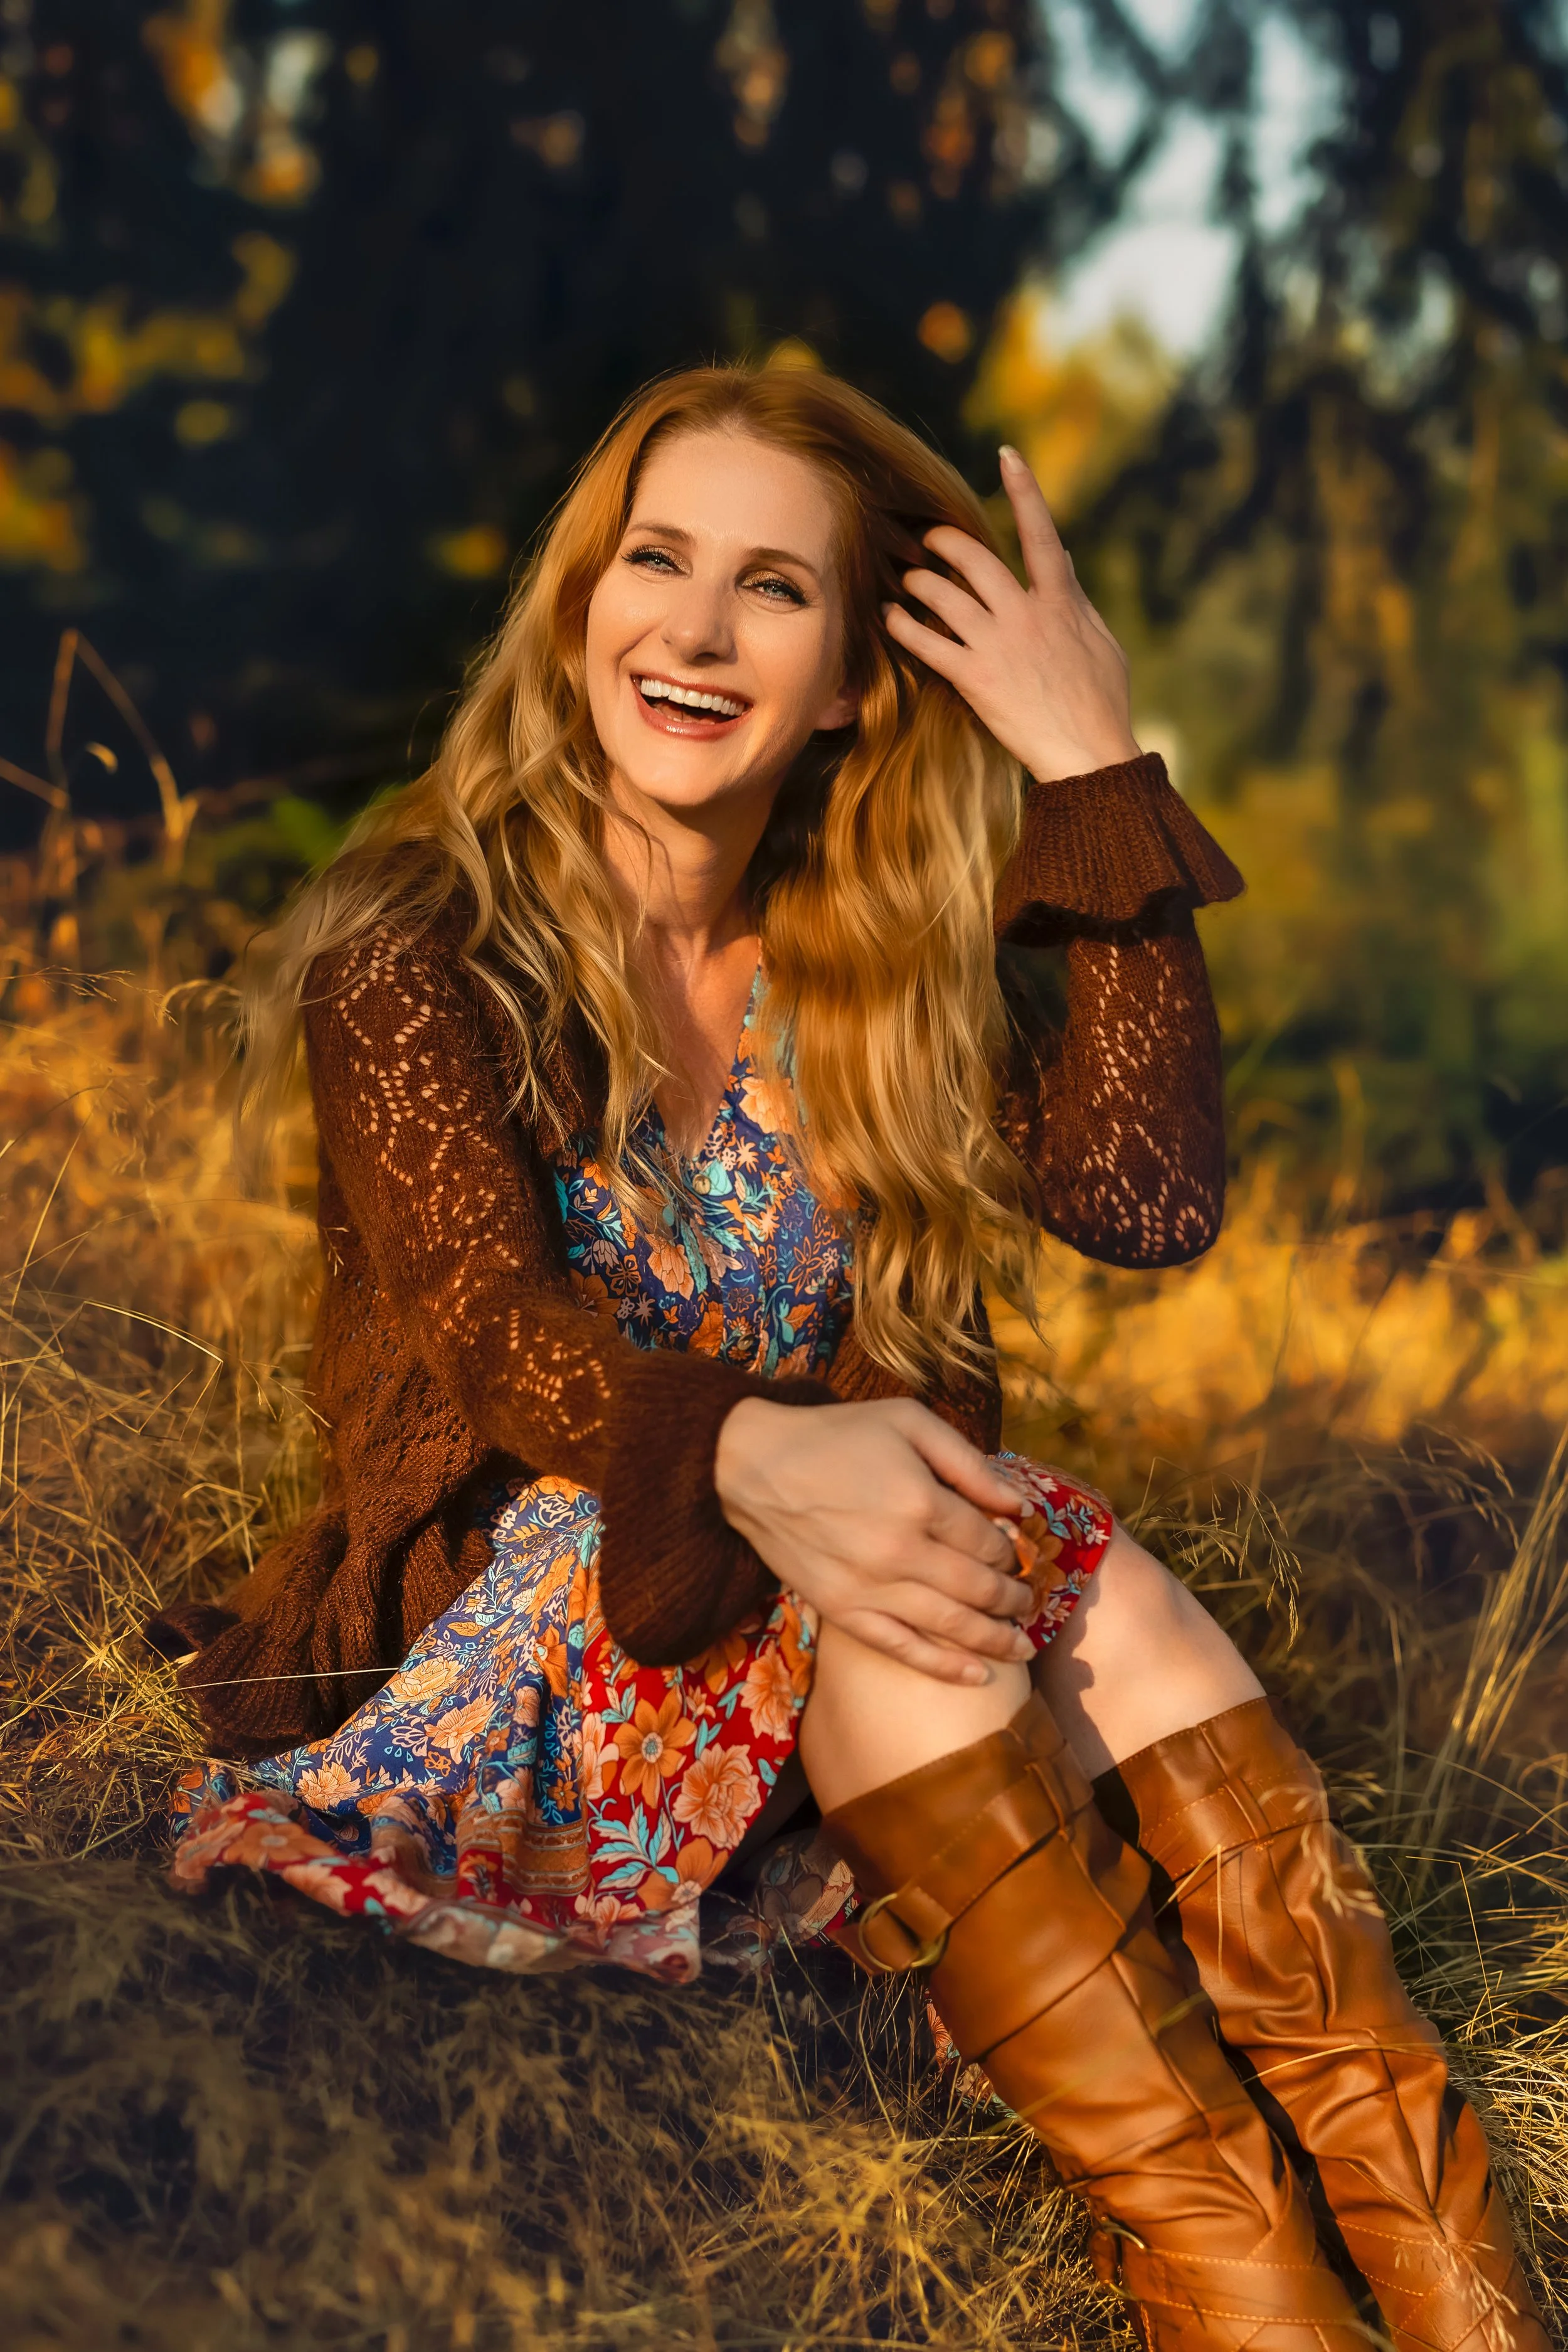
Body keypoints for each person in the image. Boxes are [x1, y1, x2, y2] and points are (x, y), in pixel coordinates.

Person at [151, 366, 1544, 2352]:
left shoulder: (863, 956)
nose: (696, 630)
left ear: (855, 682)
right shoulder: (420, 939)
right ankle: (1249, 2297)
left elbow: (1145, 1199)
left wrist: (1092, 769)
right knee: (930, 1548)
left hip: (853, 1611)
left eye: (772, 590)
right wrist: (764, 1462)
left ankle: (1450, 2297)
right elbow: (502, 1348)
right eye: (656, 562)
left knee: (1099, 1600)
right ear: (577, 612)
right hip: (549, 1617)